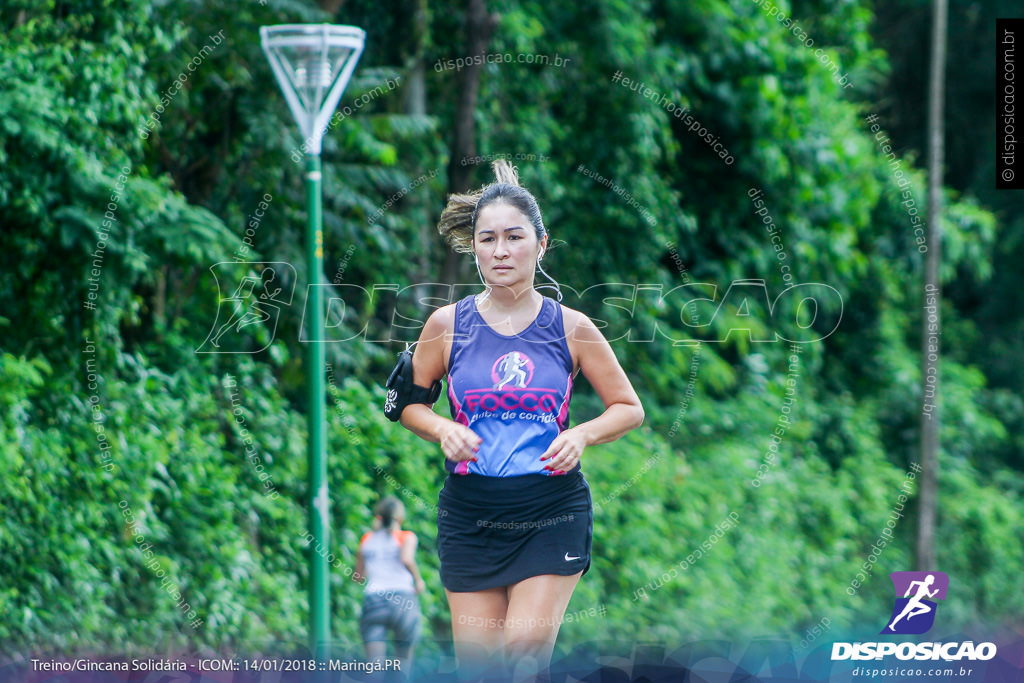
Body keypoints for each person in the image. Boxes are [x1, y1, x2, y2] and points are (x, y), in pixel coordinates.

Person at [395, 160, 645, 680]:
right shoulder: (446, 325)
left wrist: (580, 434)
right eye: (488, 239)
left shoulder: (572, 328)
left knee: (524, 657)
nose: (501, 250)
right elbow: (408, 405)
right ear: (474, 248)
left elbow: (628, 407)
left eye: (514, 236)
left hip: (551, 507)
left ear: (541, 244)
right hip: (470, 514)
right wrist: (443, 428)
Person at [354, 496, 426, 678]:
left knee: (374, 664)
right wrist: (418, 580)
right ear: (399, 518)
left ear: (378, 517)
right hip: (403, 600)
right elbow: (406, 559)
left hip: (374, 599)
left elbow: (358, 576)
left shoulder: (367, 539)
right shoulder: (406, 537)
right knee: (403, 661)